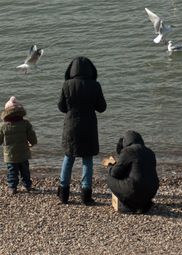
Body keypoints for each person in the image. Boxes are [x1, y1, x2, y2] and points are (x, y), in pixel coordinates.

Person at [58, 56, 107, 205]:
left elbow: (61, 107)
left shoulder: (67, 85)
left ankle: (64, 194)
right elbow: (102, 108)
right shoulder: (95, 85)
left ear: (71, 70)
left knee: (68, 157)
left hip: (71, 127)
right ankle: (86, 195)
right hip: (89, 127)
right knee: (87, 159)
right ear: (90, 69)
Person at [0, 96, 38, 195]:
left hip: (10, 155)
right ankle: (27, 185)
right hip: (23, 153)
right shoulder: (25, 123)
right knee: (25, 171)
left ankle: (12, 187)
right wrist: (33, 143)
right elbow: (32, 136)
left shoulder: (3, 126)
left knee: (12, 172)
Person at [105, 130, 160, 214]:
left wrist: (109, 166)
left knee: (110, 177)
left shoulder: (128, 151)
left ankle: (128, 206)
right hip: (152, 191)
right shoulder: (150, 152)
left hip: (134, 190)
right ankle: (144, 204)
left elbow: (114, 173)